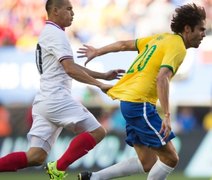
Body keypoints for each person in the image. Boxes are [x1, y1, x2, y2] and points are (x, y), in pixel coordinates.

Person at [77, 3, 206, 180]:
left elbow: (123, 44)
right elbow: (162, 78)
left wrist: (98, 51)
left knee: (147, 162)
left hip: (128, 102)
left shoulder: (160, 38)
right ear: (187, 28)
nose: (203, 34)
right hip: (140, 103)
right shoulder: (178, 47)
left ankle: (93, 178)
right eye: (201, 29)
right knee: (171, 158)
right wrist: (167, 115)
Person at [0, 0, 124, 180]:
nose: (72, 13)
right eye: (68, 9)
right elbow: (70, 69)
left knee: (35, 156)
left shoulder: (49, 33)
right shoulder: (56, 34)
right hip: (56, 98)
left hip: (44, 100)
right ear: (56, 11)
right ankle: (58, 168)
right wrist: (100, 85)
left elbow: (70, 66)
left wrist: (102, 76)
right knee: (98, 132)